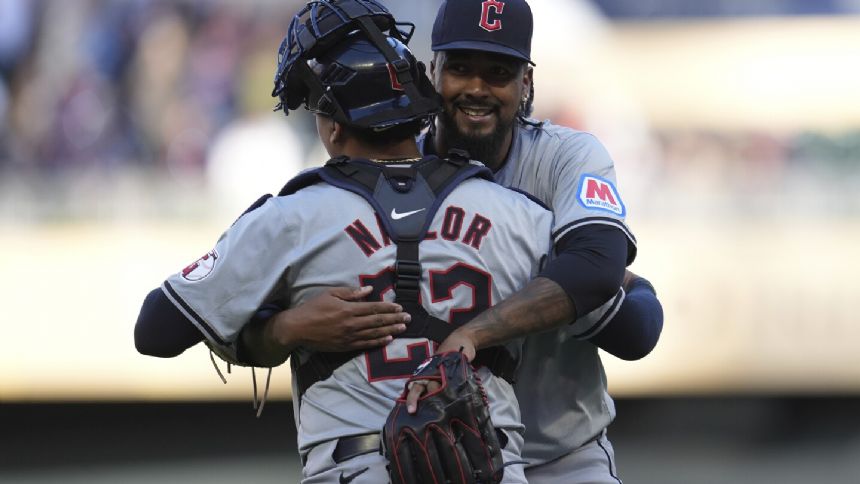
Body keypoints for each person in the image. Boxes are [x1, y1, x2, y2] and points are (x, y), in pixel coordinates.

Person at [135, 1, 555, 482]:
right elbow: (632, 320)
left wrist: (284, 329)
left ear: (333, 126)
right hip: (492, 467)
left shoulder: (292, 216)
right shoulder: (516, 211)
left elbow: (156, 331)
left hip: (356, 468)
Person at [251, 0, 663, 482]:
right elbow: (238, 316)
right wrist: (288, 328)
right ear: (433, 71)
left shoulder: (563, 157)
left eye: (498, 72)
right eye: (461, 67)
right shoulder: (381, 162)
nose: (476, 87)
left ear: (526, 82)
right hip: (423, 458)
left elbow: (626, 312)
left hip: (561, 454)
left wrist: (474, 333)